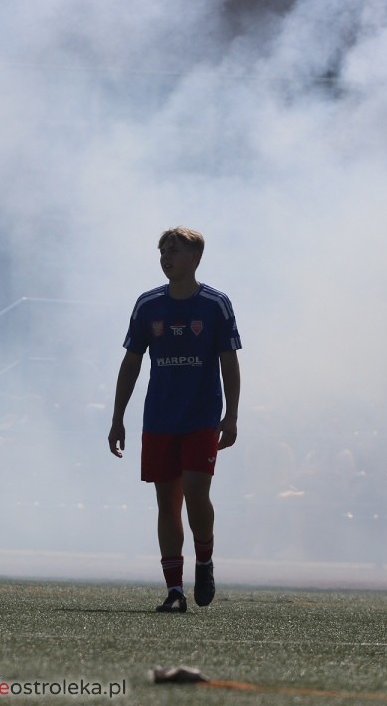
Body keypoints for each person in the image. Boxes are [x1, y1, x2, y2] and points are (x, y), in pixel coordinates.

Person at [108, 227, 241, 612]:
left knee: (197, 495)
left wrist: (230, 416)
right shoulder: (148, 305)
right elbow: (131, 362)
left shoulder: (215, 304)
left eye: (174, 250)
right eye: (162, 250)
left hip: (201, 417)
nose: (166, 256)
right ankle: (174, 591)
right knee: (167, 503)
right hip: (160, 419)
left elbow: (229, 362)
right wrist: (118, 418)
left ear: (195, 258)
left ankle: (204, 560)